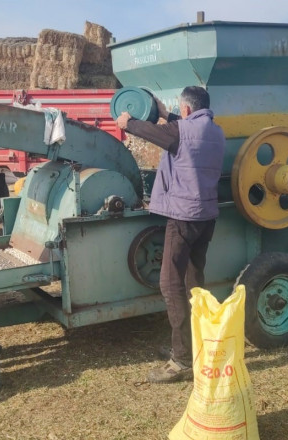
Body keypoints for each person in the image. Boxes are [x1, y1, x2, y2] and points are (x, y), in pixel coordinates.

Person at [116, 86, 226, 383]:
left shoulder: (179, 133)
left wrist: (129, 124)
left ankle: (181, 361)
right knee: (194, 285)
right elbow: (185, 129)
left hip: (183, 218)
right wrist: (167, 114)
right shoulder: (215, 131)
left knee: (170, 284)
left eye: (180, 109)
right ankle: (194, 347)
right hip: (206, 217)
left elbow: (156, 134)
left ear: (187, 109)